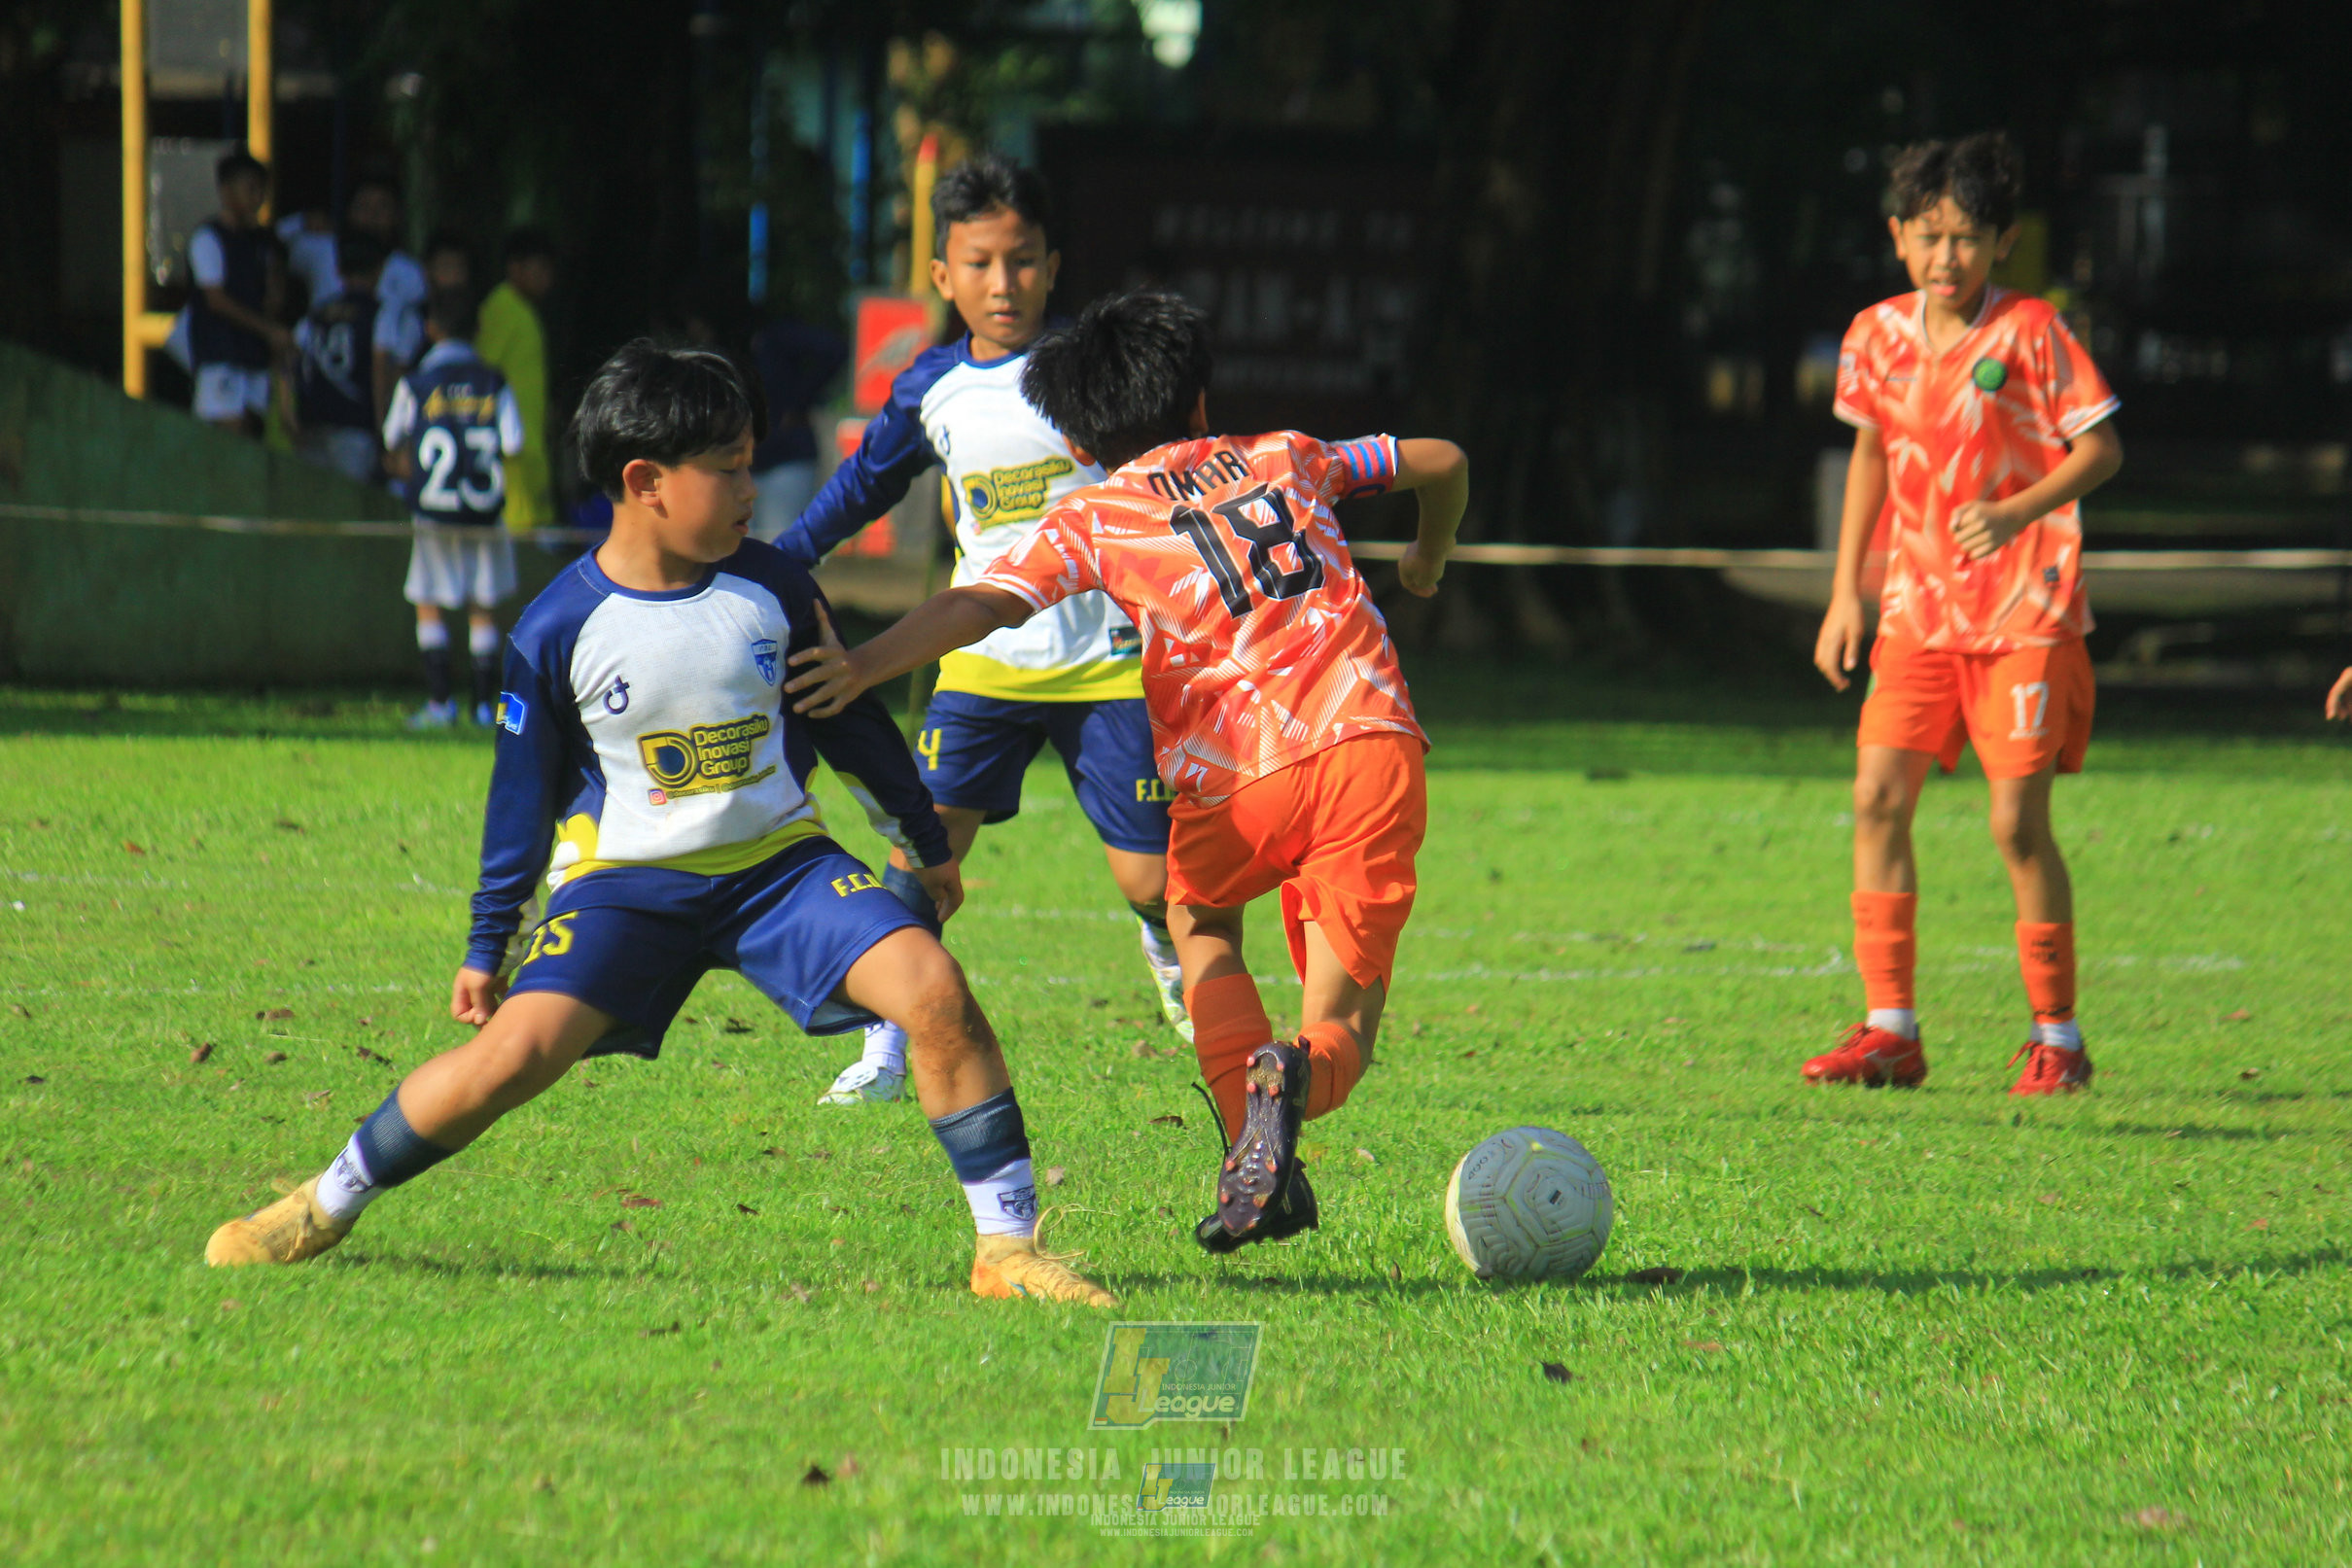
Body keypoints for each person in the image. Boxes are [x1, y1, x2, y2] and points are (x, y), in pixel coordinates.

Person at [204, 340, 1113, 1309]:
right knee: (510, 1055)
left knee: (933, 988)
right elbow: (519, 806)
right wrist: (487, 942)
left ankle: (1005, 1247)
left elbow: (850, 723)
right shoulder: (557, 628)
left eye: (749, 463)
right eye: (727, 468)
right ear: (644, 482)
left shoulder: (775, 587)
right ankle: (323, 1201)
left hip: (779, 868)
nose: (750, 488)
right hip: (625, 887)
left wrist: (927, 845)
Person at [787, 289, 1469, 1254]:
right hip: (1363, 744)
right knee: (1340, 1022)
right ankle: (1295, 1077)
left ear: (1080, 437)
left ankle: (1251, 1148)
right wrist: (1427, 559)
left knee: (1200, 928)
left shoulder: (1095, 515)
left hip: (1231, 779)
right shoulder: (1290, 455)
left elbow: (978, 604)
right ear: (1198, 402)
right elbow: (1440, 462)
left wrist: (859, 664)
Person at [779, 156, 1191, 1109]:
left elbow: (1172, 472)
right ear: (942, 275)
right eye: (979, 264)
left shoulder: (1095, 362)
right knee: (922, 855)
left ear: (1053, 263)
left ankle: (1165, 941)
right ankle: (889, 1041)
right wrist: (785, 555)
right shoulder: (933, 385)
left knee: (1148, 875)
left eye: (1021, 260)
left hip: (1109, 660)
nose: (1002, 284)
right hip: (982, 657)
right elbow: (864, 483)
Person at [1806, 132, 2124, 1096]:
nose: (1948, 257)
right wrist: (1843, 594)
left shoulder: (2030, 330)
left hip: (2027, 612)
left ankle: (2057, 1039)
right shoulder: (1873, 336)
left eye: (1968, 238)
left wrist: (2020, 509)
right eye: (1930, 235)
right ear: (1898, 235)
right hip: (1914, 612)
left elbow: (2100, 449)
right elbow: (1868, 456)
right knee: (1875, 799)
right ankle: (1890, 1030)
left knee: (2015, 824)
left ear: (2002, 241)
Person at [383, 288, 525, 729]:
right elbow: (514, 442)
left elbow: (392, 438)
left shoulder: (416, 383)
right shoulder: (494, 382)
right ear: (478, 331)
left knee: (429, 602)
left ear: (431, 328)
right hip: (483, 514)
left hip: (433, 513)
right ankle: (484, 708)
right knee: (482, 605)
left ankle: (441, 704)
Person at [283, 230, 404, 483]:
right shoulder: (380, 313)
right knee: (351, 513)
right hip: (355, 431)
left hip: (312, 425)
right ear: (379, 270)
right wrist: (384, 430)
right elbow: (379, 369)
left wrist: (288, 413)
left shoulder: (317, 313)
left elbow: (289, 359)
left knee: (315, 511)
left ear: (338, 269)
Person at [187, 150, 289, 435]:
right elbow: (215, 299)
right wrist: (267, 330)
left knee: (254, 434)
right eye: (250, 189)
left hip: (254, 361)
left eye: (261, 190)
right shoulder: (208, 238)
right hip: (222, 359)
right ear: (226, 190)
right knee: (229, 438)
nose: (257, 198)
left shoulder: (263, 242)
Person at [476, 227, 560, 535]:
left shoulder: (522, 311)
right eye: (540, 268)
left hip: (528, 449)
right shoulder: (503, 308)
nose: (547, 277)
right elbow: (484, 371)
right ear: (516, 267)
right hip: (512, 454)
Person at [747, 314, 847, 543]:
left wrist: (798, 402)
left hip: (784, 454)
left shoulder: (775, 335)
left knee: (783, 549)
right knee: (735, 557)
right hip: (744, 461)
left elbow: (835, 349)